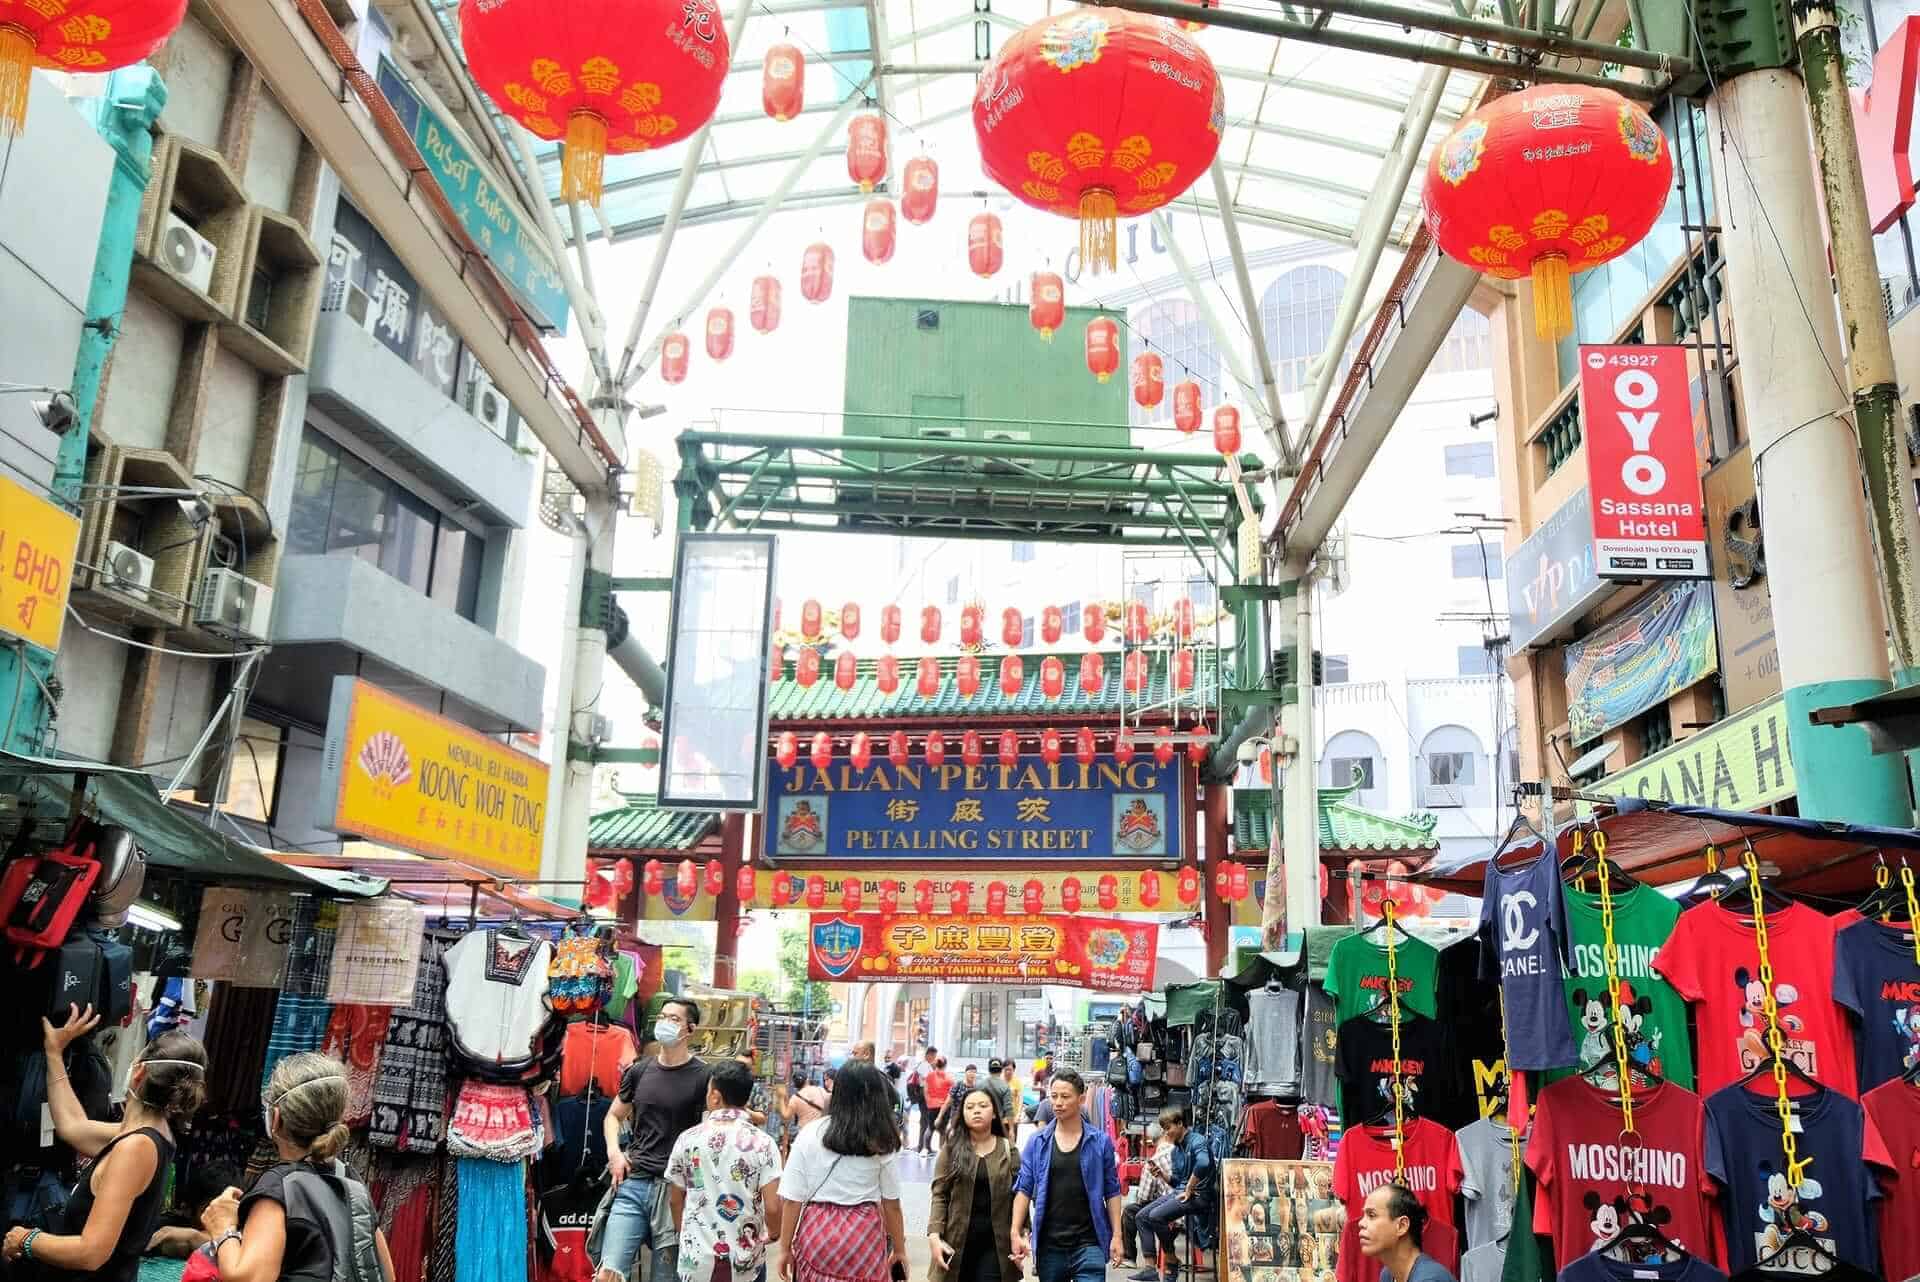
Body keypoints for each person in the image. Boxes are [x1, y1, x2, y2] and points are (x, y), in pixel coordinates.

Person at [1, 1006, 207, 1282]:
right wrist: (54, 1053)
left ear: (139, 1073)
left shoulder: (136, 1148)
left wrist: (26, 1239)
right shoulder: (148, 1134)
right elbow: (73, 1127)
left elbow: (92, 1251)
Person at [196, 1052, 398, 1282]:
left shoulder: (279, 1187)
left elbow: (249, 1278)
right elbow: (386, 1275)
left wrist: (223, 1227)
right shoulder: (351, 1181)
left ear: (275, 1118)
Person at [601, 998, 713, 1282]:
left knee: (665, 1277)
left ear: (690, 1029)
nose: (665, 1023)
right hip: (633, 1184)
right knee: (608, 1273)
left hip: (674, 1191)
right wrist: (615, 1153)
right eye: (663, 1017)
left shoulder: (704, 1077)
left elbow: (713, 1128)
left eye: (674, 1019)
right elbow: (613, 1116)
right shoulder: (639, 1071)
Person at [776, 1064, 908, 1282]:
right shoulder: (882, 1139)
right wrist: (900, 1249)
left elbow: (792, 1199)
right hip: (864, 1234)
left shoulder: (810, 1133)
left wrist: (784, 1248)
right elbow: (891, 1204)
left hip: (817, 1233)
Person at [666, 1061, 782, 1282]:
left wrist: (686, 1234)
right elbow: (773, 1207)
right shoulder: (764, 1143)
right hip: (745, 1264)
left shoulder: (688, 1139)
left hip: (696, 1261)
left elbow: (675, 1200)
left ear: (715, 1096)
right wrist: (774, 1232)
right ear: (745, 1099)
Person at [1010, 1069, 1123, 1282]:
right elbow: (1023, 1189)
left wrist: (1117, 1235)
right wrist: (1016, 1232)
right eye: (1054, 1096)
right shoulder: (1038, 1142)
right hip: (1050, 1246)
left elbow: (1112, 1191)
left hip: (1090, 1243)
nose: (1058, 1103)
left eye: (1065, 1096)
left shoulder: (1100, 1142)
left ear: (1081, 1099)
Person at [927, 1087, 1019, 1282]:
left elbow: (1018, 1196)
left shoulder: (1008, 1150)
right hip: (957, 1240)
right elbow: (939, 1194)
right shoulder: (951, 1149)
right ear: (963, 1114)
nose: (976, 1110)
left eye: (983, 1106)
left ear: (994, 1112)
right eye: (970, 1107)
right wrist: (934, 1235)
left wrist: (1022, 1232)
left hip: (995, 1244)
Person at [1133, 1108, 1215, 1282]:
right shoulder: (1176, 1150)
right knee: (1141, 1216)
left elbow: (1204, 1163)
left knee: (1155, 1216)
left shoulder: (1197, 1140)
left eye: (1167, 1127)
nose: (1165, 1132)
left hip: (1200, 1196)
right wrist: (1161, 1175)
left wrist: (1190, 1186)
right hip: (1183, 1193)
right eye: (1163, 1129)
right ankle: (1150, 1269)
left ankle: (1171, 1261)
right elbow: (1178, 1182)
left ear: (1180, 1124)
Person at [1356, 1185, 1454, 1282]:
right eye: (1363, 1215)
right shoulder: (1388, 1274)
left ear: (1402, 1226)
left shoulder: (1430, 1279)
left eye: (1372, 1215)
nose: (1361, 1223)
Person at [1121, 1123, 1172, 1276]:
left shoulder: (1154, 1161)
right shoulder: (1179, 1151)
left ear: (1151, 1140)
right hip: (1186, 1202)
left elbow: (1144, 1197)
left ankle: (1138, 1261)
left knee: (1133, 1212)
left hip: (1170, 1208)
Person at [786, 1071, 830, 1149]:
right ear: (807, 1080)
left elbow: (786, 1116)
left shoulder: (795, 1098)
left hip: (803, 1132)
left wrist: (780, 1098)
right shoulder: (820, 1090)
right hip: (820, 1132)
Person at [904, 1048, 937, 1148]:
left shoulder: (927, 1066)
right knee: (925, 1121)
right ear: (928, 1055)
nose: (934, 1058)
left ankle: (923, 1146)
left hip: (925, 1096)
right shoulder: (924, 1065)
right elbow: (928, 1080)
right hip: (924, 1096)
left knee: (926, 1121)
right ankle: (921, 1146)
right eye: (933, 1056)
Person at [935, 1065, 980, 1137]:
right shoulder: (958, 1085)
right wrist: (939, 1117)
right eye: (970, 1072)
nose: (973, 1074)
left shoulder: (977, 1088)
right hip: (955, 1119)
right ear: (965, 1073)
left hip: (969, 1119)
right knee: (949, 1136)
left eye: (974, 1072)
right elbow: (947, 1103)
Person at [921, 1057, 953, 1154]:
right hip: (944, 1107)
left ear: (936, 1064)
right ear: (945, 1065)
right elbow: (951, 1095)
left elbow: (925, 1090)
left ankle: (925, 1149)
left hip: (931, 1106)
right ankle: (941, 1150)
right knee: (943, 1129)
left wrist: (928, 1102)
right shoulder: (949, 1077)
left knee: (930, 1128)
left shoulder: (929, 1076)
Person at [983, 1059, 1012, 1127]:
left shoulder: (979, 1085)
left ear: (989, 1070)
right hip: (999, 1123)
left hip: (983, 1121)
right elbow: (1008, 1109)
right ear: (1001, 1070)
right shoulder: (1005, 1086)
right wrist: (1011, 1128)